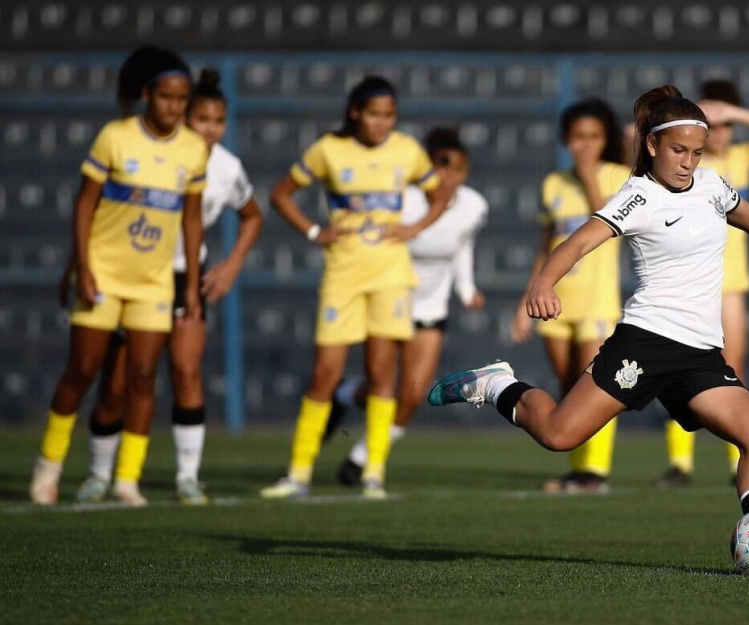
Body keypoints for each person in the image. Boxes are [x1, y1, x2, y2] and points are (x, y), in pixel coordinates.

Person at [428, 85, 749, 573]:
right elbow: (575, 243)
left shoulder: (713, 186)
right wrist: (543, 283)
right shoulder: (638, 197)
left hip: (700, 355)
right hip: (646, 343)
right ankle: (495, 384)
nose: (688, 162)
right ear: (652, 144)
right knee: (558, 434)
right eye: (679, 150)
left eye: (696, 152)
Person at [69, 67, 264, 506]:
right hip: (133, 272)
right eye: (201, 120)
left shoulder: (228, 167)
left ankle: (187, 476)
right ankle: (100, 474)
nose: (210, 130)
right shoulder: (162, 151)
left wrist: (231, 266)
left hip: (184, 276)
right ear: (182, 118)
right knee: (117, 380)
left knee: (185, 369)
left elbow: (253, 215)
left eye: (218, 122)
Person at [261, 76, 456, 500]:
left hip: (390, 275)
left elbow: (440, 195)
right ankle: (297, 474)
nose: (381, 123)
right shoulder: (328, 150)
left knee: (381, 375)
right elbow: (281, 194)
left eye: (388, 115)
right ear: (355, 113)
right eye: (373, 114)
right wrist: (314, 231)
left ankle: (373, 473)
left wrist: (414, 227)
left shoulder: (406, 150)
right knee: (324, 374)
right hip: (343, 276)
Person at [29, 46, 208, 506]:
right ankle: (47, 470)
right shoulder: (115, 137)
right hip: (105, 275)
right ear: (148, 95)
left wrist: (189, 284)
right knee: (83, 371)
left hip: (153, 282)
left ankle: (127, 479)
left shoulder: (192, 148)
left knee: (143, 378)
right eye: (167, 97)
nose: (174, 107)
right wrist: (83, 267)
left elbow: (191, 219)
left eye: (182, 99)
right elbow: (86, 202)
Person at [331, 127, 488, 486]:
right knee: (379, 388)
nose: (450, 175)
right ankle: (344, 393)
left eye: (458, 168)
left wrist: (466, 289)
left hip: (431, 309)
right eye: (441, 166)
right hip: (391, 301)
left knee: (414, 391)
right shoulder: (405, 200)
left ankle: (364, 459)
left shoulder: (474, 205)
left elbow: (462, 245)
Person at [657, 80, 749, 487]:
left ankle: (741, 460)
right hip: (687, 282)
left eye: (727, 124)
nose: (722, 132)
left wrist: (732, 112)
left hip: (730, 283)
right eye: (712, 125)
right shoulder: (689, 166)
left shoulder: (741, 157)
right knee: (678, 369)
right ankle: (680, 463)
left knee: (732, 370)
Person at [510, 98, 630, 494]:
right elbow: (545, 248)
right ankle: (581, 471)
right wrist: (525, 302)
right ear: (565, 140)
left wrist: (589, 176)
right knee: (567, 384)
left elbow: (609, 221)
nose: (584, 145)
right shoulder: (553, 184)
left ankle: (595, 471)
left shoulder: (616, 176)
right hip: (558, 301)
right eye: (577, 137)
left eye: (593, 137)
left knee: (593, 384)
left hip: (597, 300)